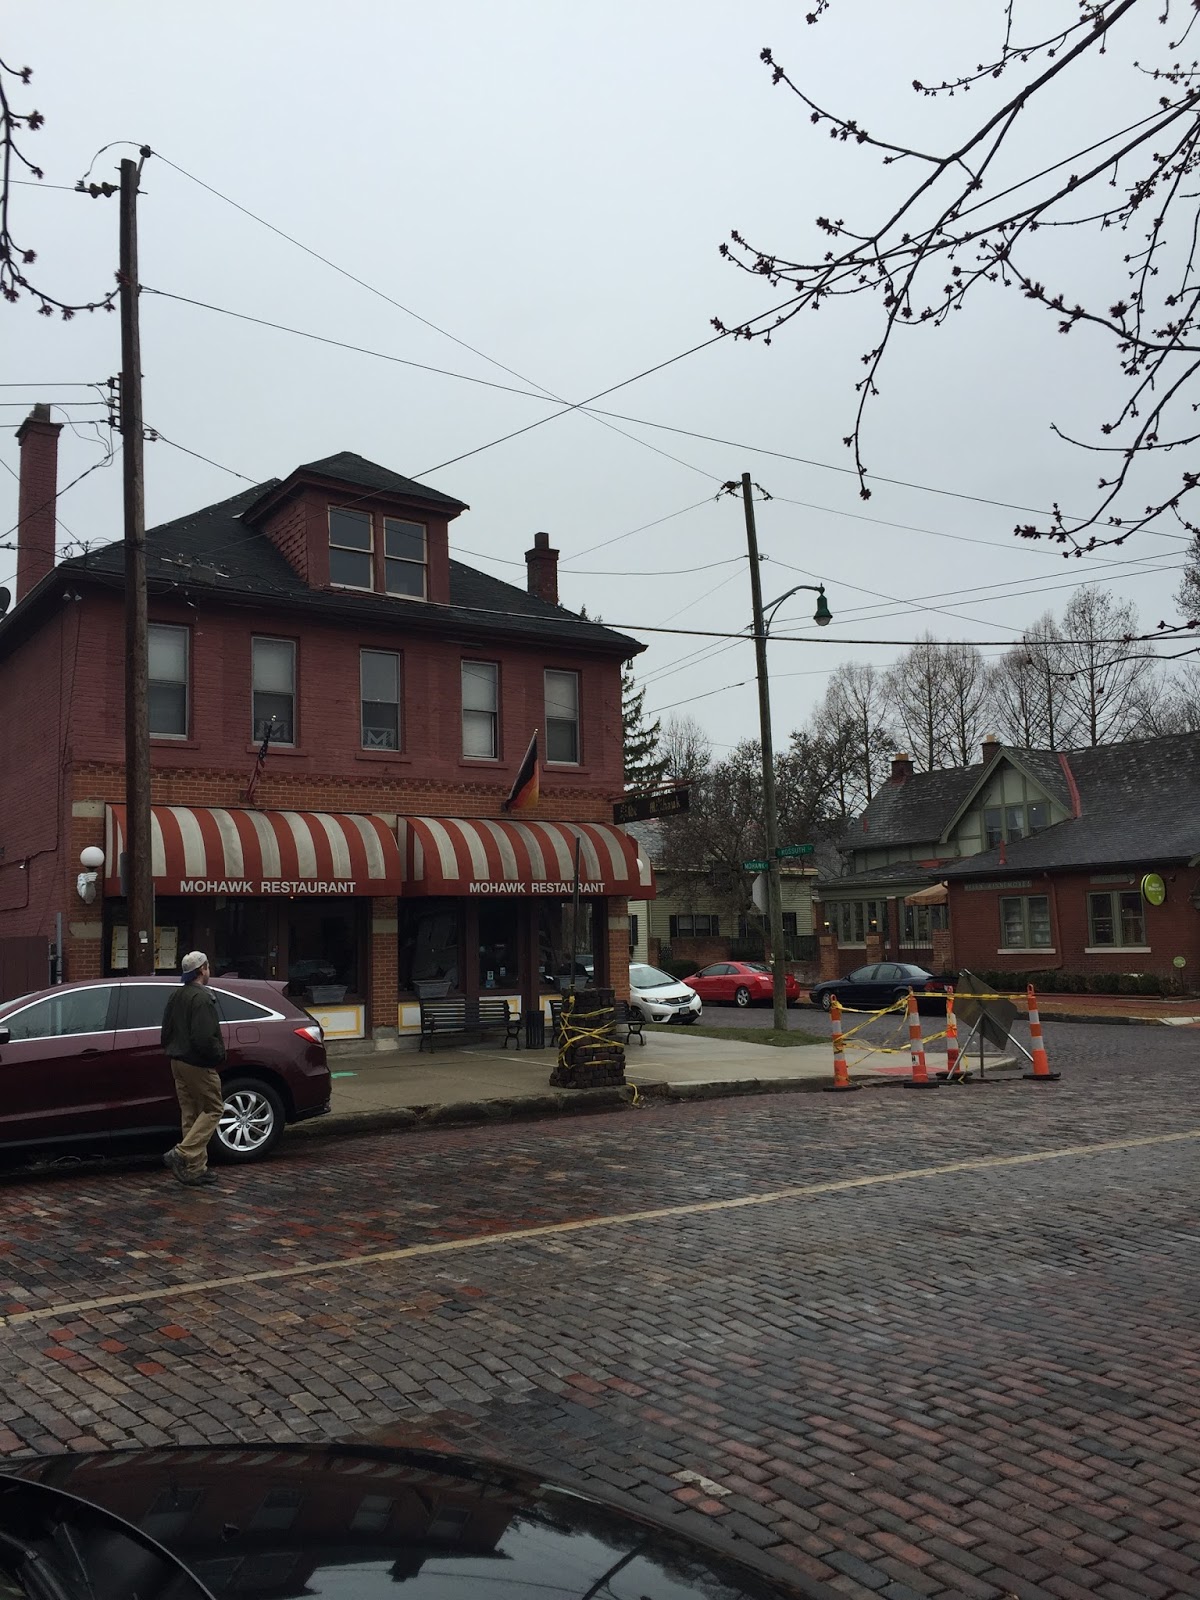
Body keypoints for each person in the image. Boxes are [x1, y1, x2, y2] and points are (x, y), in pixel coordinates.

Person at [160, 950, 226, 1188]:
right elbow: (204, 1038)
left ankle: (195, 1169)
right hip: (197, 1063)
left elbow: (165, 1031)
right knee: (213, 1109)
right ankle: (183, 1153)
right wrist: (218, 1055)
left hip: (176, 1061)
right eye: (208, 967)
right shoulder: (201, 999)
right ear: (202, 970)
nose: (209, 971)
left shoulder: (176, 996)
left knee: (191, 1113)